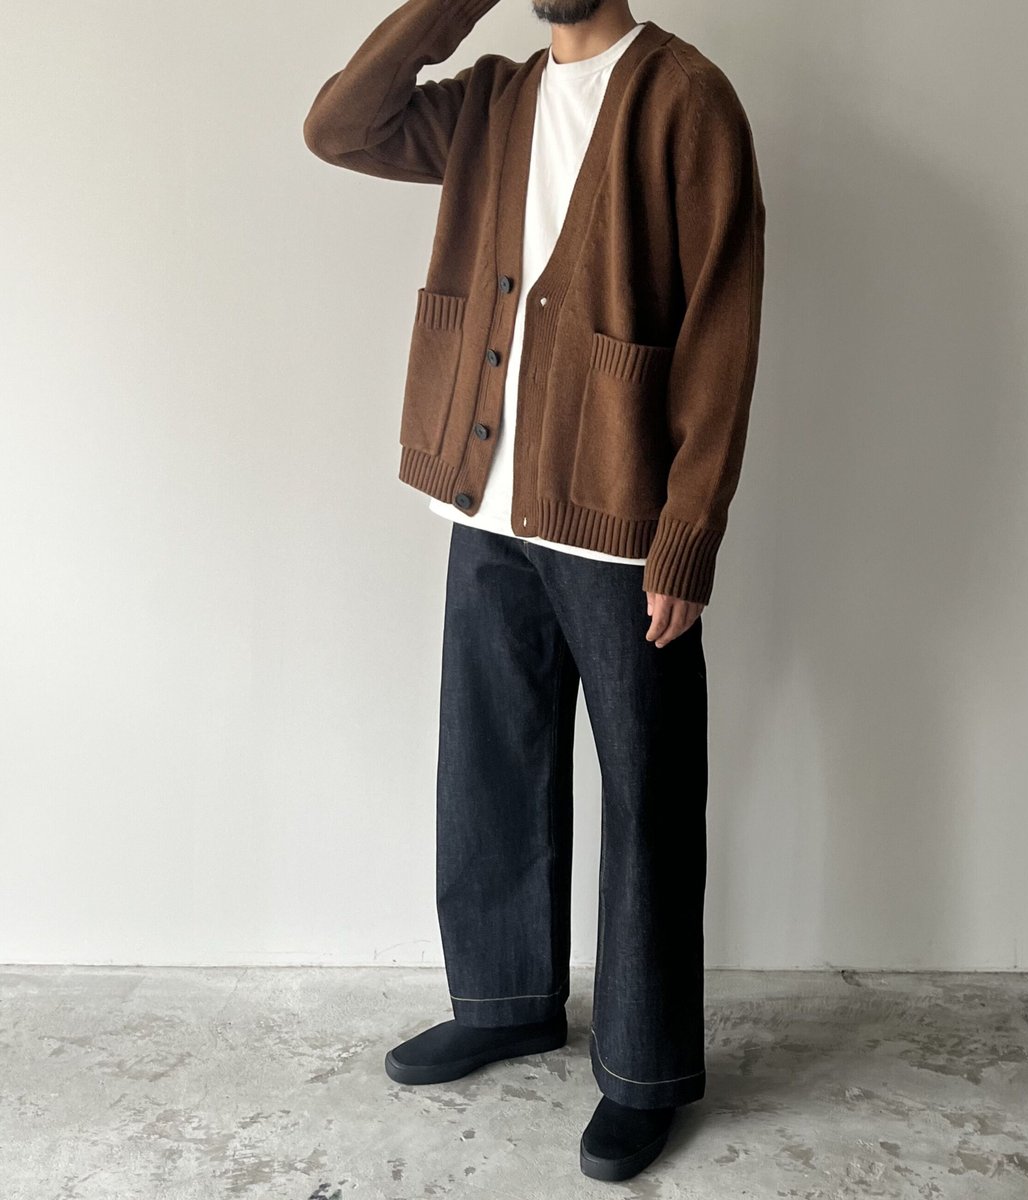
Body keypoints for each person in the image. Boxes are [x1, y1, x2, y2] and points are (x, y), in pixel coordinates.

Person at [303, 0, 765, 1181]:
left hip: (616, 513)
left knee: (648, 794)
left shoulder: (686, 99)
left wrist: (687, 536)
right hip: (485, 504)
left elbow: (721, 326)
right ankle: (507, 1000)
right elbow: (339, 127)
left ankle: (645, 1070)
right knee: (490, 764)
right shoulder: (492, 101)